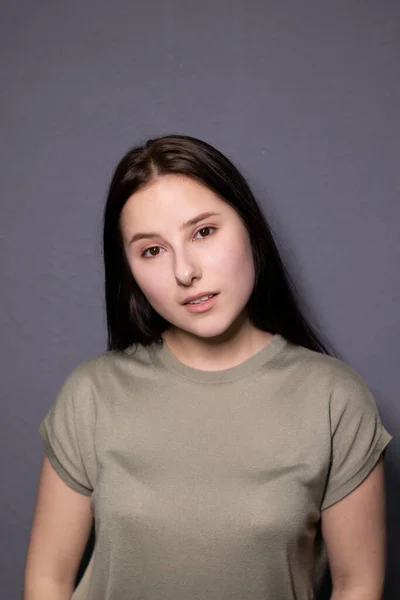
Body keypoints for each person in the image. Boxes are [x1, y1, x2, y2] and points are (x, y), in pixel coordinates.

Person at [24, 134, 392, 600]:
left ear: (249, 228)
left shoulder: (334, 400)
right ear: (130, 270)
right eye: (152, 250)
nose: (185, 271)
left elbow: (358, 585)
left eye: (203, 232)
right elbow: (47, 581)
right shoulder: (92, 394)